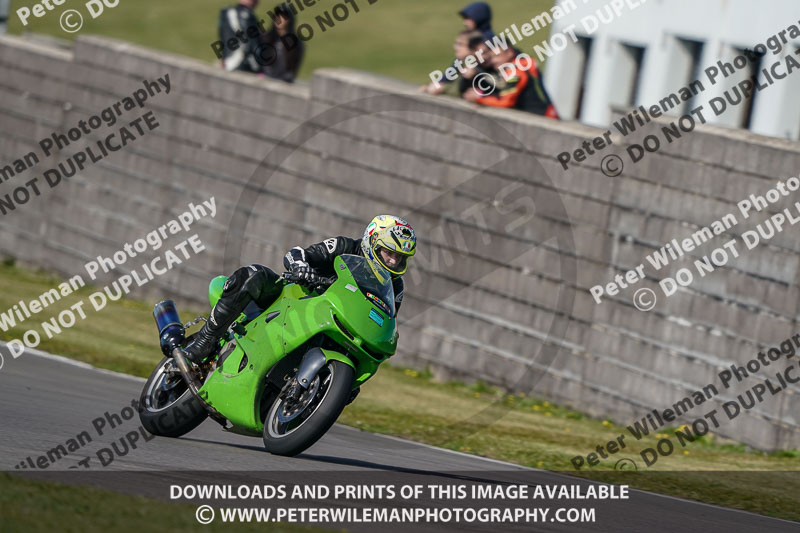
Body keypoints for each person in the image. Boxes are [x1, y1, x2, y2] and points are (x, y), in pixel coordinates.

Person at [183, 215, 417, 364]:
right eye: (389, 253)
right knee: (253, 274)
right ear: (372, 241)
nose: (394, 262)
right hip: (295, 300)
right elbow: (298, 253)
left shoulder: (395, 286)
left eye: (400, 257)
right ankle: (205, 340)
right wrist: (302, 268)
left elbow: (386, 318)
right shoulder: (345, 246)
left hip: (332, 326)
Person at [463, 41, 559, 118]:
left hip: (542, 118)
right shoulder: (522, 65)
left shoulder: (515, 73)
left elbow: (506, 102)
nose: (493, 61)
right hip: (546, 115)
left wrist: (479, 98)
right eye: (491, 57)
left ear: (510, 53)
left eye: (497, 56)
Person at [420, 2, 495, 94]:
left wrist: (443, 86)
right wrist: (439, 83)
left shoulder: (486, 40)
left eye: (468, 18)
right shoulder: (473, 36)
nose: (465, 22)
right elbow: (456, 67)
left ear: (480, 18)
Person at [218, 0, 265, 73]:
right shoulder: (248, 16)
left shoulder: (226, 12)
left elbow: (222, 37)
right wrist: (259, 68)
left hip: (228, 63)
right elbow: (252, 44)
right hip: (242, 65)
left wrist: (224, 58)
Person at [260, 4, 304, 82]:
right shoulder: (267, 38)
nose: (279, 19)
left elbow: (292, 69)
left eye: (283, 16)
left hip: (283, 83)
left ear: (290, 20)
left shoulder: (295, 43)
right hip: (264, 81)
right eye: (277, 16)